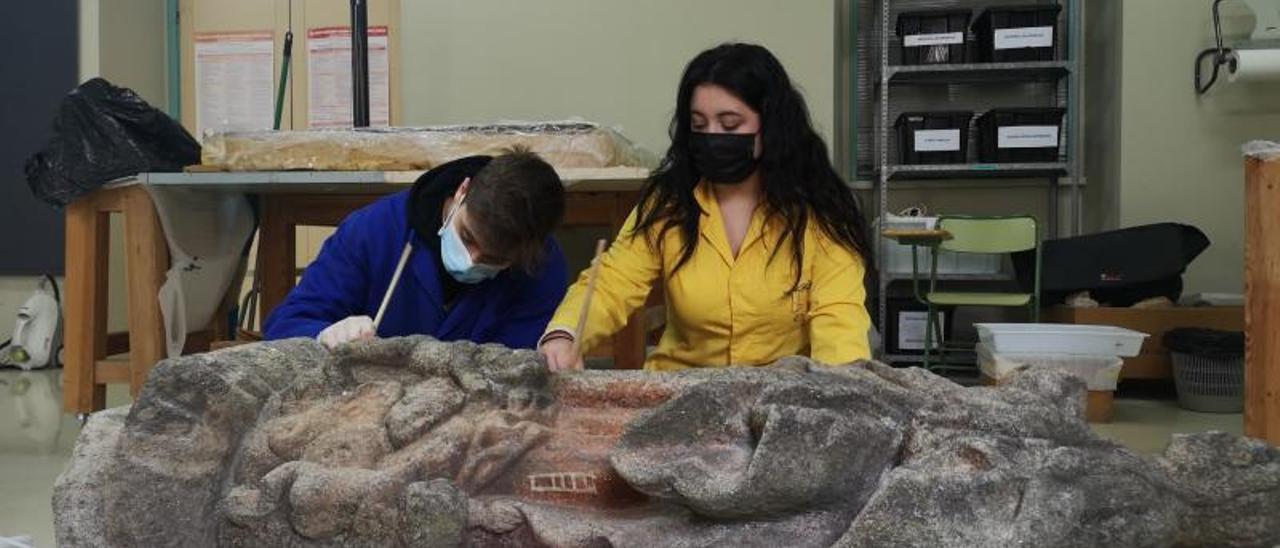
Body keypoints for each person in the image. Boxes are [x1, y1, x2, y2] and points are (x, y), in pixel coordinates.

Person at [540, 43, 872, 372]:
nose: (712, 137)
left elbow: (839, 320)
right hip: (680, 393)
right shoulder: (669, 203)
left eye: (729, 125)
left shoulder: (820, 213)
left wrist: (839, 394)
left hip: (778, 397)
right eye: (700, 126)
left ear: (771, 126)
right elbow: (613, 282)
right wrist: (564, 333)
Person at [264, 151, 569, 350]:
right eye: (467, 237)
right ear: (463, 191)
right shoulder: (374, 231)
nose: (472, 260)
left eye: (493, 259)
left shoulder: (540, 268)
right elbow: (283, 327)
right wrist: (323, 334)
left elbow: (518, 376)